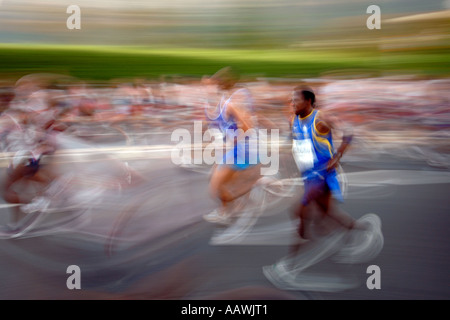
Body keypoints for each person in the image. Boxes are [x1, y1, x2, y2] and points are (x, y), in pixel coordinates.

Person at [288, 85, 365, 256]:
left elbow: (349, 133)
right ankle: (355, 228)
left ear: (308, 101)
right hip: (308, 174)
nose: (293, 103)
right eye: (292, 100)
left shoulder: (320, 119)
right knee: (326, 212)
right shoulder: (294, 120)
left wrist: (336, 157)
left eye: (296, 100)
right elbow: (297, 145)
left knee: (300, 209)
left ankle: (293, 256)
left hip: (323, 173)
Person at [202, 67, 261, 224]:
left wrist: (232, 141)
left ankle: (228, 211)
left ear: (218, 86)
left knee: (214, 188)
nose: (206, 89)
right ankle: (229, 207)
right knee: (216, 182)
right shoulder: (213, 107)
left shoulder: (229, 105)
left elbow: (248, 127)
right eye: (205, 85)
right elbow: (218, 127)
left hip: (242, 150)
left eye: (210, 85)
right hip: (233, 150)